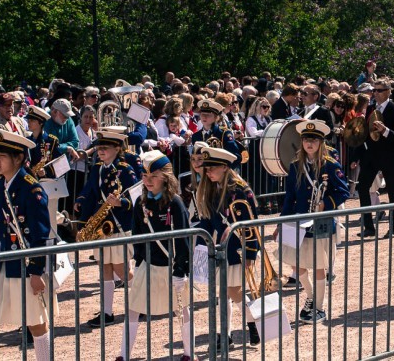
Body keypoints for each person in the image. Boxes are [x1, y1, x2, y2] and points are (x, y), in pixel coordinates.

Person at [0, 129, 56, 361]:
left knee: (36, 324)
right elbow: (3, 225)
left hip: (27, 268)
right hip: (6, 264)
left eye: (3, 155)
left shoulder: (31, 188)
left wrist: (37, 271)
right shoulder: (0, 186)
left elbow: (40, 234)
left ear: (18, 158)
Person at [115, 151, 190, 361]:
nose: (148, 181)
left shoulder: (175, 203)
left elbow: (183, 239)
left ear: (165, 177)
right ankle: (124, 354)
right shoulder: (141, 202)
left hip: (171, 266)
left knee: (182, 310)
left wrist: (181, 270)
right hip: (147, 264)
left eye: (153, 176)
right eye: (145, 176)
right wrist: (137, 261)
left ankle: (189, 353)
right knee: (132, 309)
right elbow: (137, 235)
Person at [277, 120, 349, 323]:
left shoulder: (330, 164)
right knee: (297, 266)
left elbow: (343, 191)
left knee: (318, 267)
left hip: (321, 222)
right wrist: (282, 223)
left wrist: (326, 203)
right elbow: (289, 196)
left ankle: (318, 308)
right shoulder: (295, 165)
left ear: (321, 142)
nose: (310, 143)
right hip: (300, 220)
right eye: (306, 139)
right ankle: (310, 295)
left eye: (314, 140)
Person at [195, 147, 261, 348]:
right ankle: (227, 334)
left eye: (212, 167)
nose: (208, 172)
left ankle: (252, 323)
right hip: (221, 248)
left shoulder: (241, 190)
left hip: (238, 250)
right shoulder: (212, 188)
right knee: (224, 294)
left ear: (224, 167)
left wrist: (251, 253)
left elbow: (251, 224)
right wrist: (196, 241)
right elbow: (207, 220)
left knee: (232, 292)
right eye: (206, 168)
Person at [74, 131, 138, 327]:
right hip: (103, 227)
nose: (100, 151)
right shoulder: (97, 169)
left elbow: (136, 196)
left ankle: (142, 301)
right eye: (99, 148)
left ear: (117, 149)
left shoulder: (125, 170)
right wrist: (81, 202)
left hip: (118, 224)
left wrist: (122, 203)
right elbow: (90, 191)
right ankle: (107, 312)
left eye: (105, 148)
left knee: (122, 269)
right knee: (104, 269)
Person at [354, 80, 394, 238]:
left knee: (393, 193)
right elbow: (364, 134)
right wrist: (356, 157)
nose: (375, 93)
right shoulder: (370, 108)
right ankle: (369, 227)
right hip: (370, 157)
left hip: (389, 157)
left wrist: (386, 131)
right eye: (374, 90)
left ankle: (393, 228)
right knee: (362, 187)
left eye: (379, 90)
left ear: (388, 92)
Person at [191, 100, 241, 169]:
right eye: (202, 114)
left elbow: (236, 157)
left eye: (208, 115)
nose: (204, 117)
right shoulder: (195, 136)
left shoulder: (224, 134)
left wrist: (225, 172)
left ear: (216, 117)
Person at [26, 106, 61, 179]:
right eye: (28, 120)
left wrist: (46, 171)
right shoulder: (27, 141)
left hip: (46, 182)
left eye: (32, 120)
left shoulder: (52, 141)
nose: (29, 122)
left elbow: (59, 164)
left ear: (41, 122)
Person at [42, 99, 80, 165]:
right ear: (54, 111)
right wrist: (66, 148)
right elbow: (47, 145)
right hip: (45, 163)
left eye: (68, 115)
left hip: (62, 165)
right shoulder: (44, 120)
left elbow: (75, 142)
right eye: (64, 115)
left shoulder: (68, 120)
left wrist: (61, 147)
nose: (67, 118)